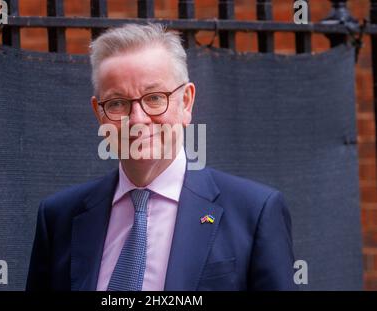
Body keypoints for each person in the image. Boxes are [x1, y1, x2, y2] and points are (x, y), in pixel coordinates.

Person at [26, 23, 297, 291]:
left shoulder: (253, 213)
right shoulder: (59, 218)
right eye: (117, 103)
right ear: (100, 114)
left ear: (186, 102)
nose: (138, 120)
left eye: (154, 98)